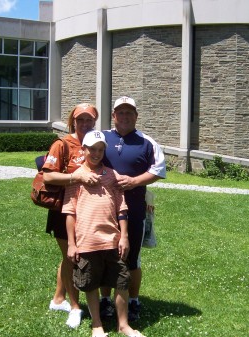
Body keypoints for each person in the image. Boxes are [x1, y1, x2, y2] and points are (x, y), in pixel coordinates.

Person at [62, 130, 146, 337]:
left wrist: (124, 236)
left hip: (112, 240)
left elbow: (122, 209)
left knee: (121, 282)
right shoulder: (77, 177)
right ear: (84, 149)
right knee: (90, 283)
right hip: (86, 241)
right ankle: (96, 325)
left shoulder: (112, 176)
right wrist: (72, 244)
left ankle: (123, 324)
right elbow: (70, 213)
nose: (96, 153)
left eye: (100, 150)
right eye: (92, 149)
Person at [101, 96, 166, 321]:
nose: (125, 116)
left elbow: (158, 170)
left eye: (130, 112)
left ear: (136, 116)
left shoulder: (147, 142)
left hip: (134, 209)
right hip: (103, 207)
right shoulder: (102, 138)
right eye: (121, 112)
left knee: (132, 258)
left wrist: (135, 181)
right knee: (105, 254)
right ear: (113, 116)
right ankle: (105, 300)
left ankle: (133, 301)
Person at [42, 103, 103, 328]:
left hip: (87, 210)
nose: (85, 124)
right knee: (71, 257)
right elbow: (48, 177)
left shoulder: (97, 141)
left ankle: (59, 299)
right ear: (73, 121)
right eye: (80, 120)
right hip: (63, 210)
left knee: (70, 256)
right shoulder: (62, 144)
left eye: (89, 120)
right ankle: (75, 307)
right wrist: (75, 178)